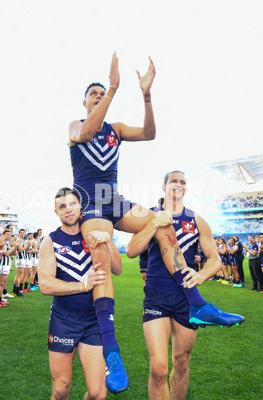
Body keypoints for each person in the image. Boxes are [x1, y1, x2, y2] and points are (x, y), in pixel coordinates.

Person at [69, 54, 236, 392]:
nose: (99, 97)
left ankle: (198, 304)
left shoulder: (115, 130)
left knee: (163, 222)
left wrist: (145, 94)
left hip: (114, 199)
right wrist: (114, 87)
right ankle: (112, 354)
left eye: (103, 94)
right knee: (101, 258)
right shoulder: (76, 125)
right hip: (90, 202)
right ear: (84, 101)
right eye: (94, 95)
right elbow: (86, 132)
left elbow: (148, 133)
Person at [125, 171, 244, 400]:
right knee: (158, 368)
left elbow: (216, 260)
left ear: (186, 188)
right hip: (156, 297)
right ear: (163, 187)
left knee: (181, 362)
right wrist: (154, 223)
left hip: (185, 299)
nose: (178, 185)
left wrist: (201, 276)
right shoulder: (149, 215)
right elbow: (131, 251)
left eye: (182, 182)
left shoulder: (197, 220)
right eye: (173, 181)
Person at [40, 187, 122, 400]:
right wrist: (83, 285)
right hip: (63, 319)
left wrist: (107, 239)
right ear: (56, 212)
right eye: (62, 206)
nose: (68, 210)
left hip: (94, 320)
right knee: (60, 388)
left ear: (80, 206)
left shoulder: (92, 233)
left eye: (72, 204)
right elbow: (46, 285)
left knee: (97, 393)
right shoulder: (51, 241)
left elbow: (117, 268)